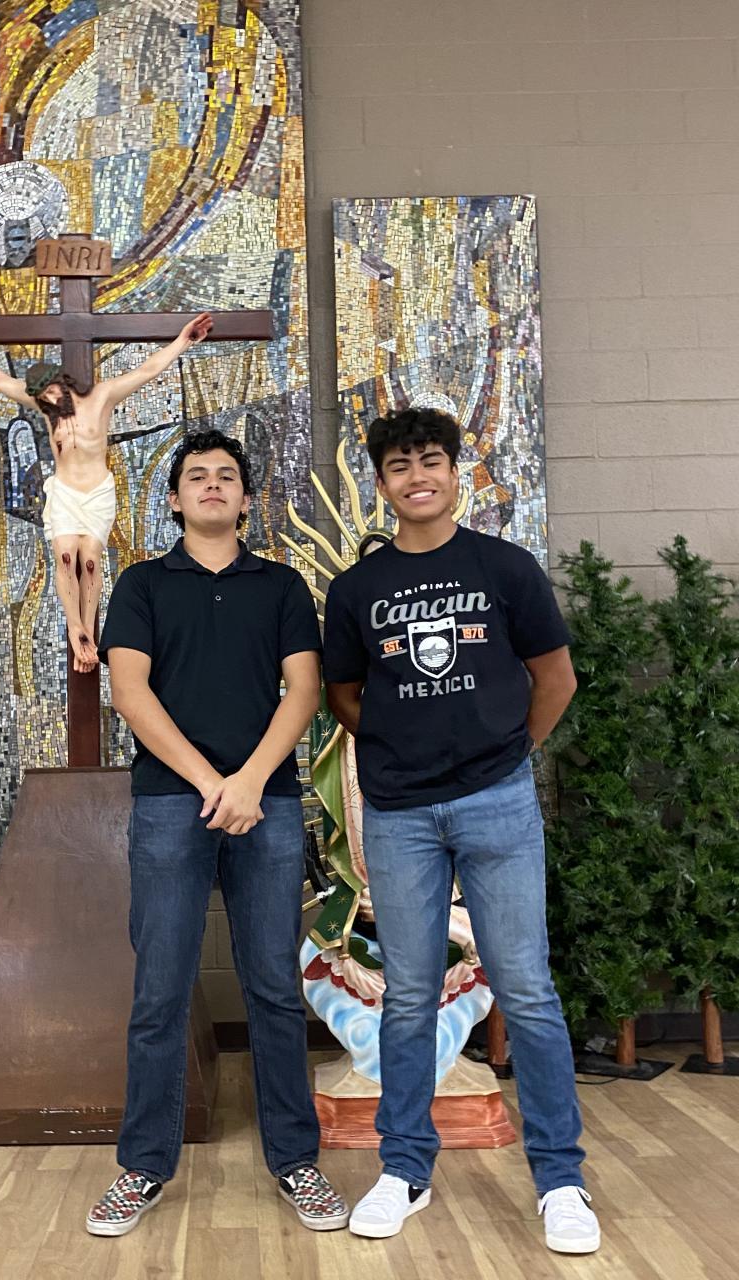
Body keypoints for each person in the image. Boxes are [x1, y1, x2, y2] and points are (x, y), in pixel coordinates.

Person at [323, 406, 600, 1254]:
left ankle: (561, 1182)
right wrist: (405, 749)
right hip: (401, 813)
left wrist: (507, 756)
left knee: (527, 990)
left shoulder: (504, 567)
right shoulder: (357, 589)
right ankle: (404, 1170)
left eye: (431, 461)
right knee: (408, 997)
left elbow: (556, 677)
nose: (417, 477)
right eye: (400, 465)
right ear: (383, 484)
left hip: (497, 804)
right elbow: (343, 694)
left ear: (454, 472)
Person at [87, 428, 348, 1237]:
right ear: (173, 499)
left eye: (226, 476)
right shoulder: (141, 584)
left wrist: (250, 783)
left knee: (272, 987)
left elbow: (304, 692)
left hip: (267, 807)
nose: (211, 485)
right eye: (196, 476)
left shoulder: (281, 586)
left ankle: (297, 1162)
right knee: (160, 991)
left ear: (244, 498)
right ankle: (142, 1168)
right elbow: (130, 693)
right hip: (173, 805)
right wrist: (212, 785)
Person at [0, 311, 213, 671]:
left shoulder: (101, 398)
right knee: (65, 556)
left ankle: (88, 631)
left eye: (50, 390)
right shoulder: (47, 411)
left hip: (97, 493)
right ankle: (75, 627)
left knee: (89, 560)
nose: (47, 398)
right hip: (64, 491)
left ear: (63, 383)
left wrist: (184, 340)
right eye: (42, 396)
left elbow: (146, 371)